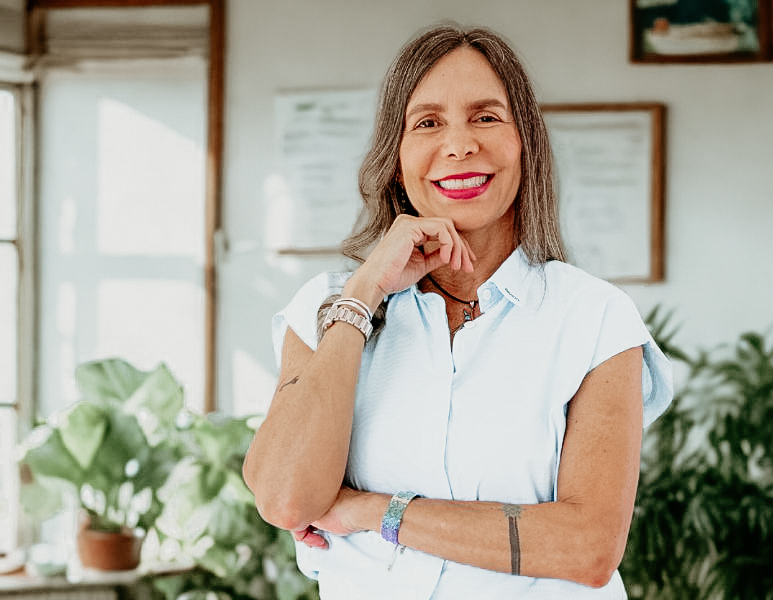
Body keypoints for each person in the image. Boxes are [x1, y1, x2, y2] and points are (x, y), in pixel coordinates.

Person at [242, 24, 673, 599]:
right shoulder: (326, 307)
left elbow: (587, 548)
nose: (459, 144)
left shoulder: (594, 318)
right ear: (396, 161)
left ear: (526, 145)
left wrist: (372, 511)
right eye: (427, 123)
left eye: (486, 117)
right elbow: (285, 497)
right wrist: (365, 290)